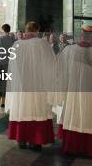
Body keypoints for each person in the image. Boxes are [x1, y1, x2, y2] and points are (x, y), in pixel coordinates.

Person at [56, 26, 92, 157]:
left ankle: (72, 147)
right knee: (90, 116)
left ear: (80, 35)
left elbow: (61, 72)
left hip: (73, 91)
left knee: (74, 115)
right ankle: (91, 149)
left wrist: (62, 90)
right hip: (91, 93)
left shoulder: (69, 50)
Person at [5, 21, 57, 151]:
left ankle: (21, 139)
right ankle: (36, 140)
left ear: (26, 30)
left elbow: (12, 68)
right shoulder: (42, 44)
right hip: (38, 84)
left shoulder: (16, 44)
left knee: (22, 109)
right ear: (37, 30)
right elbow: (51, 65)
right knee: (36, 109)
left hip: (21, 86)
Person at [0, 23, 15, 108]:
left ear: (3, 30)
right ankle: (4, 101)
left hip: (0, 63)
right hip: (9, 63)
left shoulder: (0, 39)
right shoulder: (13, 39)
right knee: (6, 83)